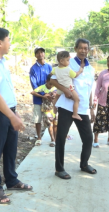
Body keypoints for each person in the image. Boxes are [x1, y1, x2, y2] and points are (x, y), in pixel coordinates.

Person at [0, 27, 33, 205]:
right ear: (0, 42)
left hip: (8, 110)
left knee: (11, 149)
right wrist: (11, 117)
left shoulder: (2, 63)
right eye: (8, 40)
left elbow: (6, 91)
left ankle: (11, 180)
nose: (10, 43)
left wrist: (14, 112)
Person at [50, 38, 97, 180]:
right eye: (81, 48)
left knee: (88, 138)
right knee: (61, 138)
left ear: (88, 50)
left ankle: (84, 164)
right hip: (66, 107)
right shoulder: (67, 64)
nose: (83, 50)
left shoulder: (90, 68)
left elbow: (89, 89)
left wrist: (91, 108)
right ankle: (59, 169)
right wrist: (65, 90)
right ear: (76, 49)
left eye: (86, 48)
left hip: (82, 109)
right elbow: (52, 81)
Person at [51, 51, 84, 121]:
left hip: (60, 89)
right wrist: (80, 71)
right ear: (61, 61)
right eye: (68, 60)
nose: (69, 62)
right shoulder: (68, 69)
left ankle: (54, 109)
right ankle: (75, 114)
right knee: (77, 99)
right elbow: (75, 75)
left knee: (56, 97)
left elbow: (51, 73)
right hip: (69, 88)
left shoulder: (55, 69)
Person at [29, 47, 52, 146]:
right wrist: (43, 95)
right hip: (38, 98)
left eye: (42, 52)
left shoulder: (49, 67)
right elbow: (34, 85)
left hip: (49, 99)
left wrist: (50, 94)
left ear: (44, 54)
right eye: (37, 53)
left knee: (50, 118)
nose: (40, 54)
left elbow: (53, 80)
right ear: (35, 55)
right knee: (37, 119)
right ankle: (39, 138)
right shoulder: (33, 68)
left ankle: (53, 138)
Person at [30, 75, 58, 147]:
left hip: (54, 108)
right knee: (49, 123)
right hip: (47, 109)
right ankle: (52, 139)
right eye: (50, 84)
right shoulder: (42, 87)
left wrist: (54, 95)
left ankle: (55, 138)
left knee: (55, 123)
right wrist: (43, 96)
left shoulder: (55, 87)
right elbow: (33, 92)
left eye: (53, 84)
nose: (51, 86)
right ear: (46, 81)